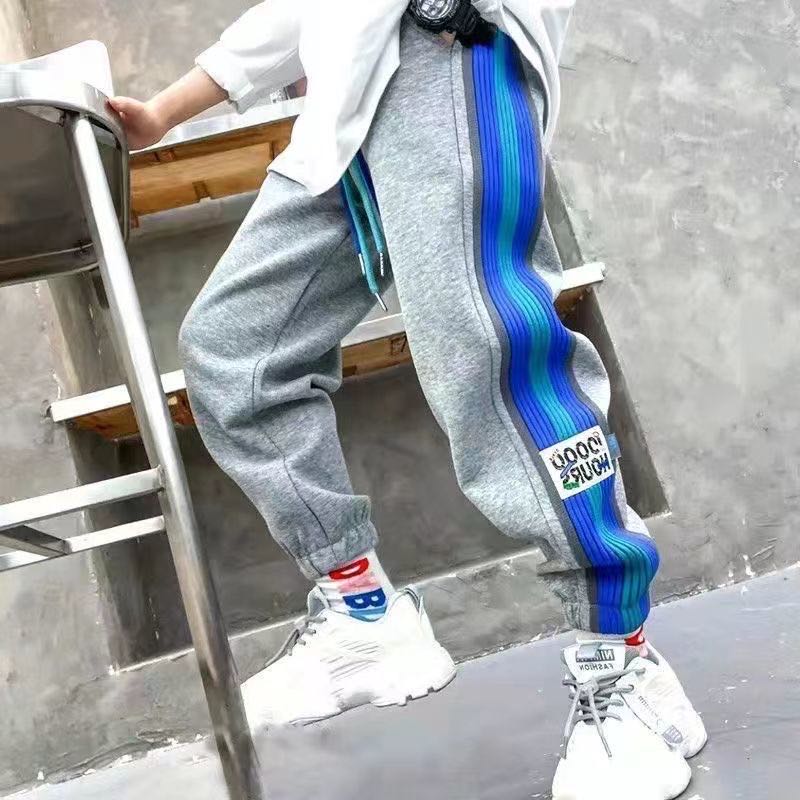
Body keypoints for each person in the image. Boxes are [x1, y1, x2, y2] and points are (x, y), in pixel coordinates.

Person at [110, 2, 706, 797]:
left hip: (445, 48)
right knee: (235, 352)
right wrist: (165, 110)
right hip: (339, 118)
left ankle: (622, 661)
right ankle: (363, 611)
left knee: (489, 351)